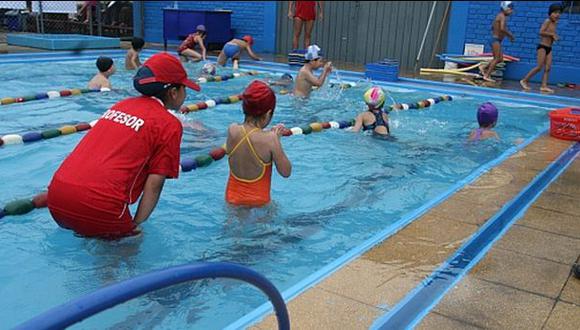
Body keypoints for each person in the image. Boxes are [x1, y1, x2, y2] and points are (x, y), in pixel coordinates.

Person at [47, 53, 201, 239]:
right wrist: (136, 224)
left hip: (56, 196)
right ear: (173, 92)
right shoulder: (169, 123)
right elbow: (155, 183)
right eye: (184, 88)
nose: (186, 94)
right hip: (100, 205)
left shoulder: (122, 105)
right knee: (128, 252)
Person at [225, 80, 292, 207]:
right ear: (268, 114)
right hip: (259, 205)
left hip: (231, 200)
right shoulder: (270, 140)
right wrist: (276, 139)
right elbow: (286, 172)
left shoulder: (232, 129)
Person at [520, 3, 562, 93]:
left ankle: (544, 86)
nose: (557, 15)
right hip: (542, 47)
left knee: (548, 68)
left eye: (559, 13)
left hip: (549, 48)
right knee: (539, 67)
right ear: (550, 13)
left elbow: (551, 34)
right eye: (555, 12)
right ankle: (524, 80)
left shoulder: (555, 23)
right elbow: (541, 32)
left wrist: (554, 38)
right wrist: (552, 34)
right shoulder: (547, 21)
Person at [482, 1, 515, 83]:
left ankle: (484, 68)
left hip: (496, 40)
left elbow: (493, 27)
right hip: (495, 40)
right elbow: (502, 28)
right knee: (496, 58)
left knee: (500, 59)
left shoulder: (499, 16)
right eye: (510, 9)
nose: (512, 12)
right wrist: (510, 35)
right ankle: (486, 75)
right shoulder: (502, 16)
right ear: (505, 8)